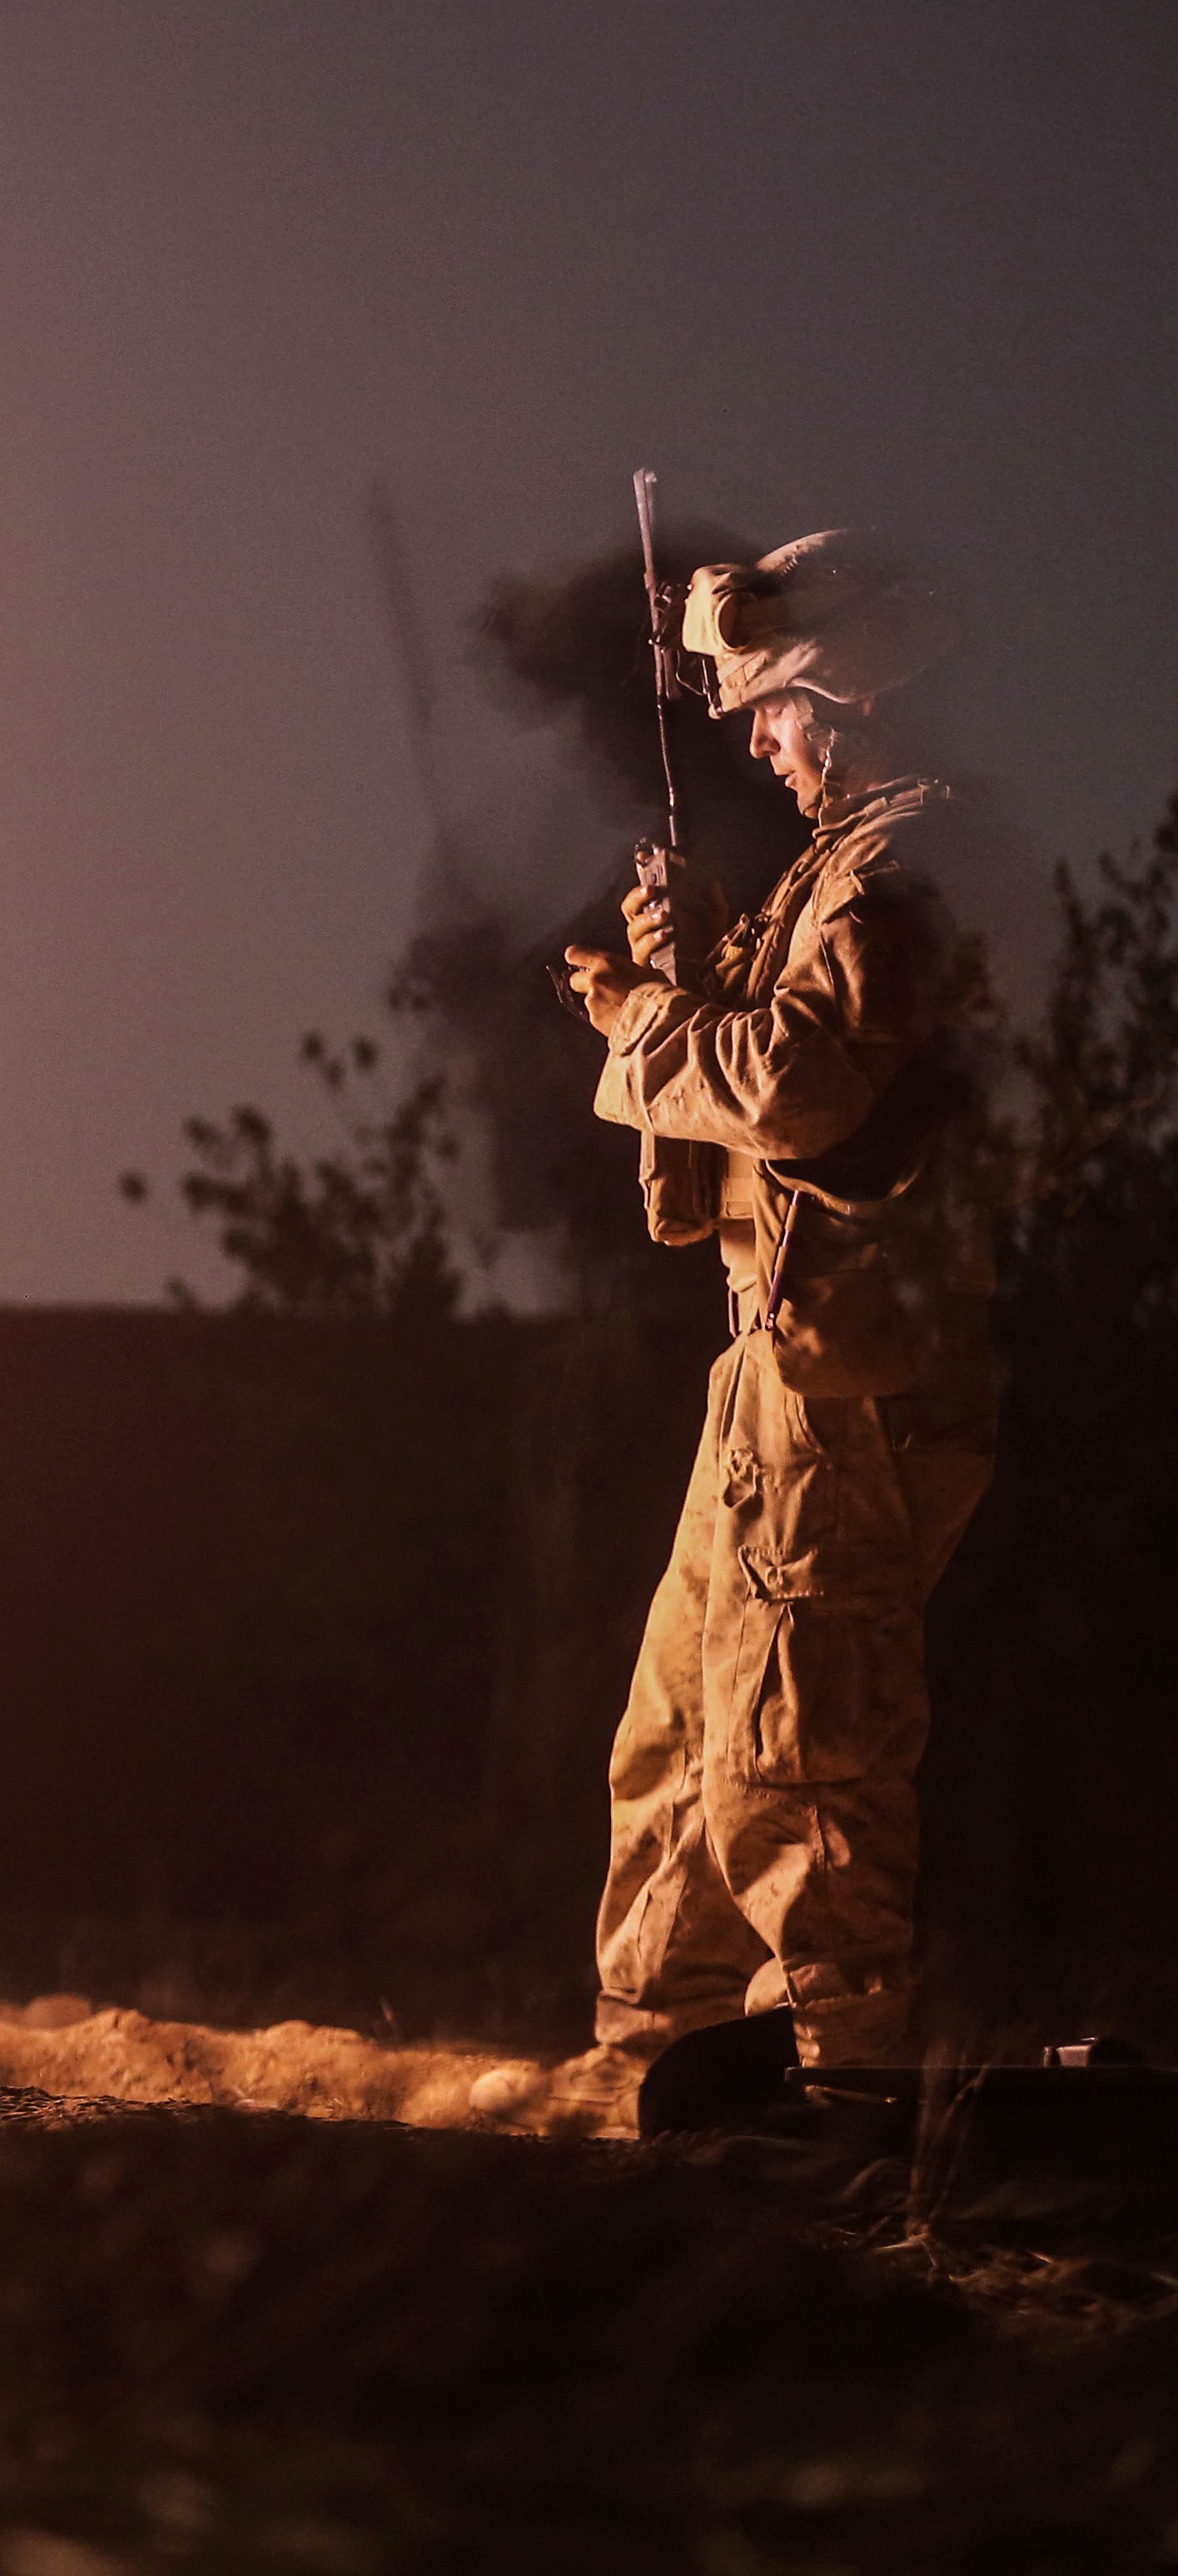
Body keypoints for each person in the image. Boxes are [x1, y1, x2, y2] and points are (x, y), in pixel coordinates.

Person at [557, 528, 997, 2099]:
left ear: (848, 693)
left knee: (797, 1758)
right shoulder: (832, 877)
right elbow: (717, 1147)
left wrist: (649, 1017)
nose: (753, 742)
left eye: (769, 708)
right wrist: (682, 977)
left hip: (849, 1392)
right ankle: (652, 2076)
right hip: (771, 1379)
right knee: (677, 1748)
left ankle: (842, 2096)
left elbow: (799, 1090)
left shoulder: (900, 879)